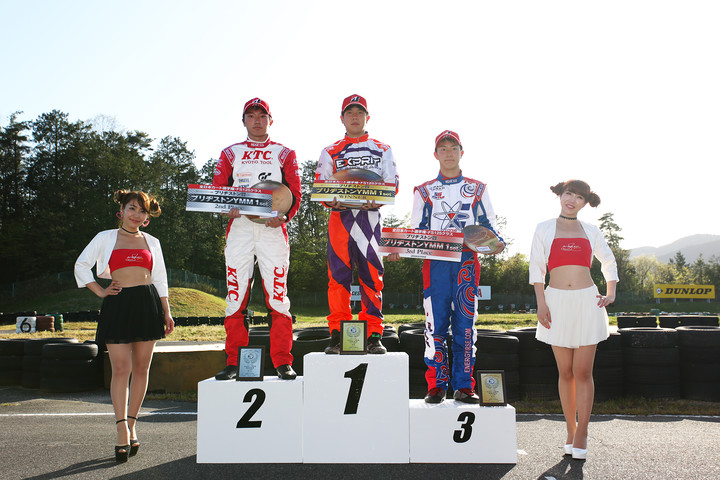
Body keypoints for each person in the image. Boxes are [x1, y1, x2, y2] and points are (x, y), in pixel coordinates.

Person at [74, 190, 174, 463]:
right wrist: (100, 290)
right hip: (118, 304)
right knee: (120, 368)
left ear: (147, 217)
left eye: (143, 211)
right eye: (132, 208)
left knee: (141, 368)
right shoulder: (104, 238)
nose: (136, 215)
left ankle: (132, 425)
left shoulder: (152, 242)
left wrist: (167, 312)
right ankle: (120, 429)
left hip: (147, 304)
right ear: (122, 210)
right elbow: (81, 265)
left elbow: (160, 278)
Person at [406, 130, 504, 404]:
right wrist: (398, 248)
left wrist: (497, 242)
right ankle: (436, 385)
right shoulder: (423, 191)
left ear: (462, 152)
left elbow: (489, 226)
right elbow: (416, 230)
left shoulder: (478, 188)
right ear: (435, 154)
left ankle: (463, 386)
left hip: (466, 264)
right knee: (434, 325)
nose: (448, 153)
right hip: (435, 264)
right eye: (443, 148)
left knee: (465, 327)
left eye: (453, 148)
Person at [212, 97, 301, 381]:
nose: (257, 121)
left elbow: (295, 193)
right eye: (251, 116)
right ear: (244, 121)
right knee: (235, 296)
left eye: (262, 116)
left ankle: (282, 361)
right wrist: (226, 206)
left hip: (272, 229)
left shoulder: (284, 153)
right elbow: (218, 190)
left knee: (278, 297)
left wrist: (285, 217)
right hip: (239, 227)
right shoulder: (230, 153)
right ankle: (233, 362)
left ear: (270, 120)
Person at [529, 179, 618, 460]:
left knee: (582, 372)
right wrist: (541, 303)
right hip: (555, 302)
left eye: (579, 197)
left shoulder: (591, 230)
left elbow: (608, 260)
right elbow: (537, 267)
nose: (572, 200)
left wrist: (611, 292)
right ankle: (570, 429)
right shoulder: (544, 228)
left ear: (585, 203)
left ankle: (583, 432)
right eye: (568, 193)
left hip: (587, 302)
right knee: (565, 371)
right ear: (560, 195)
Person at [315, 94, 398, 354]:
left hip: (369, 218)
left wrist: (379, 199)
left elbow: (392, 183)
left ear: (367, 117)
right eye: (349, 113)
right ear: (342, 118)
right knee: (337, 277)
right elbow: (320, 184)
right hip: (339, 218)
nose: (354, 117)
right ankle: (337, 333)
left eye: (359, 112)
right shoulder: (330, 150)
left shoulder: (382, 149)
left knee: (372, 276)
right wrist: (329, 201)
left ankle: (373, 334)